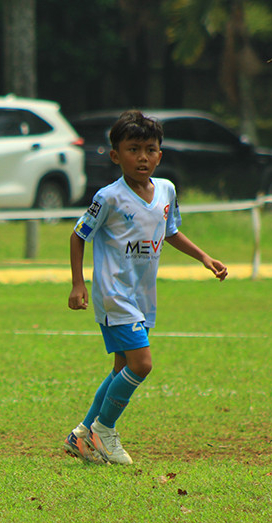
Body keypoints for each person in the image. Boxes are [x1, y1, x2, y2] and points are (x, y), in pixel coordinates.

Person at [64, 110, 227, 465]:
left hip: (142, 295)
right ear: (115, 155)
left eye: (150, 149)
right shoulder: (109, 197)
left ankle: (82, 434)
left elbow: (169, 231)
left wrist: (204, 257)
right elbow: (78, 235)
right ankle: (104, 431)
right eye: (133, 149)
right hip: (114, 293)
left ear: (160, 155)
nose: (142, 157)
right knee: (142, 364)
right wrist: (78, 284)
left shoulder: (166, 189)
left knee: (122, 366)